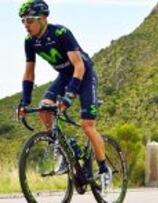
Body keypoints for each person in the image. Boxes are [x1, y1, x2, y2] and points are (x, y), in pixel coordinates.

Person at [18, 0, 111, 191]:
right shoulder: (30, 41)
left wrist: (70, 95)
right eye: (23, 21)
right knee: (44, 109)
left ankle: (103, 169)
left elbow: (79, 65)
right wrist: (25, 102)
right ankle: (69, 148)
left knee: (87, 126)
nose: (26, 25)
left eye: (29, 20)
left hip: (84, 75)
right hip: (64, 76)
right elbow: (29, 73)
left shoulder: (61, 33)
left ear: (43, 19)